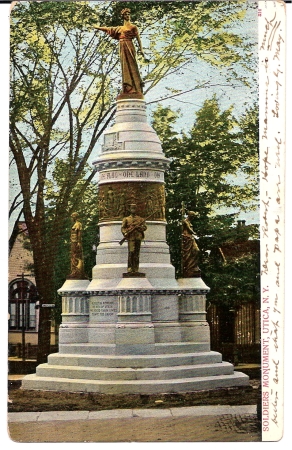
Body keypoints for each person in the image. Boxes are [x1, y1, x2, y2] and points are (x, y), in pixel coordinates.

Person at [93, 8, 146, 96]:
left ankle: (136, 87)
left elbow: (138, 39)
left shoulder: (133, 27)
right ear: (123, 16)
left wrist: (141, 50)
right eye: (125, 14)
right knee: (124, 66)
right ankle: (128, 87)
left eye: (128, 14)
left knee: (132, 65)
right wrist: (97, 27)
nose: (127, 16)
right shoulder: (120, 28)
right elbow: (108, 29)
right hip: (122, 46)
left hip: (129, 46)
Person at [121, 204, 147, 273]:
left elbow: (144, 227)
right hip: (131, 237)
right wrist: (125, 233)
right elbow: (123, 228)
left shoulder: (140, 219)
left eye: (135, 208)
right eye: (132, 208)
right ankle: (130, 268)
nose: (133, 210)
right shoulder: (126, 219)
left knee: (136, 254)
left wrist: (139, 228)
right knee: (131, 252)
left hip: (138, 237)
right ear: (130, 209)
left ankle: (136, 269)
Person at [182, 211, 201, 277]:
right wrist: (194, 233)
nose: (193, 217)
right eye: (193, 216)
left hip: (191, 238)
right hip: (187, 238)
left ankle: (193, 266)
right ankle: (189, 267)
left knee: (196, 251)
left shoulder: (189, 222)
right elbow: (189, 229)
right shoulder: (185, 221)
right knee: (191, 252)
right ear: (190, 215)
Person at [68, 212, 87, 279]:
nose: (71, 218)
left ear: (75, 217)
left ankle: (78, 271)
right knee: (73, 255)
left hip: (76, 242)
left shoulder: (78, 224)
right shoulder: (75, 224)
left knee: (76, 255)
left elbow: (79, 233)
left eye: (72, 217)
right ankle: (74, 271)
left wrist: (79, 242)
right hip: (73, 241)